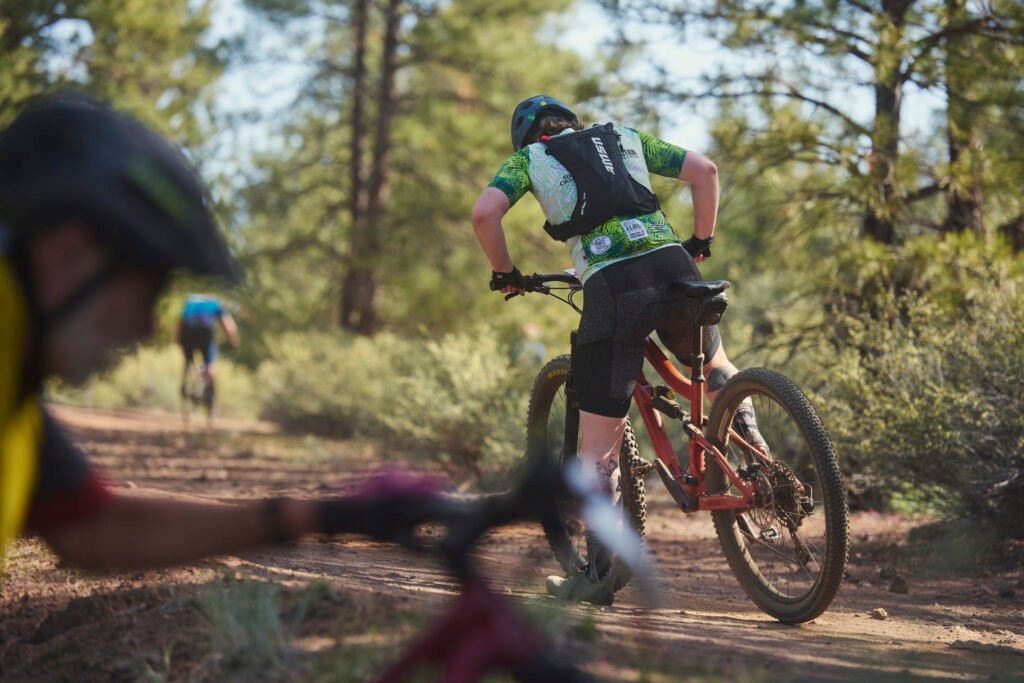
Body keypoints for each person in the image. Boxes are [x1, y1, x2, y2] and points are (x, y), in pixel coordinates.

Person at [0, 93, 438, 570]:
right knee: (202, 369)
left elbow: (98, 529)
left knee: (197, 370)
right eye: (147, 295)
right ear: (67, 258)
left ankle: (194, 395)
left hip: (192, 346)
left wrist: (325, 516)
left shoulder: (17, 395)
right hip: (199, 343)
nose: (145, 331)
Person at [471, 95, 768, 605]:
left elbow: (484, 215)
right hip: (677, 269)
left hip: (615, 287)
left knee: (597, 451)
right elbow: (706, 171)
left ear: (526, 136)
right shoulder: (624, 135)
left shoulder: (527, 159)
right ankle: (763, 463)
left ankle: (597, 576)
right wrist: (700, 242)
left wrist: (505, 273)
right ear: (574, 122)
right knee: (715, 367)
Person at [177, 293, 239, 423]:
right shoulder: (214, 302)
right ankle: (211, 407)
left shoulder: (190, 301)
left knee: (188, 362)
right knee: (210, 365)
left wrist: (179, 340)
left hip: (187, 331)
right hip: (204, 330)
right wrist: (232, 341)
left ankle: (187, 380)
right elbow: (229, 326)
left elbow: (180, 323)